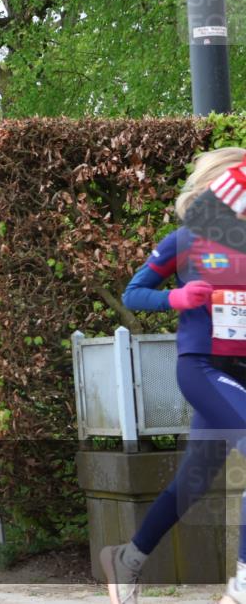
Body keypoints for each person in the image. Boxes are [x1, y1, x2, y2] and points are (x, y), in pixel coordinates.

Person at [102, 147, 246, 604]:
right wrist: (176, 299)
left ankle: (127, 559)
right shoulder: (185, 241)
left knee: (194, 480)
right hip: (202, 368)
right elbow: (135, 292)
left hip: (241, 375)